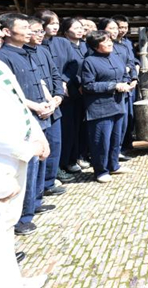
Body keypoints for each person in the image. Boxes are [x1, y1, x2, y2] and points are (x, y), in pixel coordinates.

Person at [0, 3, 49, 288]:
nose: (1, 33)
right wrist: (27, 149)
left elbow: (19, 104)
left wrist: (38, 135)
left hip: (15, 157)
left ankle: (11, 280)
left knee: (3, 230)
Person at [0, 13, 64, 235]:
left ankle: (35, 201)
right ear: (7, 31)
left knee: (41, 160)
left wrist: (52, 100)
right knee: (28, 166)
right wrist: (34, 106)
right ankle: (22, 217)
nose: (31, 32)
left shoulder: (28, 52)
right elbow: (12, 93)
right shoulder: (1, 57)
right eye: (25, 27)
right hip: (25, 116)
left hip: (43, 111)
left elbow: (42, 80)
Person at [80, 31, 134, 183]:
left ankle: (114, 165)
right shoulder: (89, 62)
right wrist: (114, 86)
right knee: (101, 140)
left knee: (116, 137)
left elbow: (124, 74)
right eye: (105, 41)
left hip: (118, 103)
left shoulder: (115, 57)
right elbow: (88, 85)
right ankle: (100, 170)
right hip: (100, 107)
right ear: (96, 46)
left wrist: (126, 82)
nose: (110, 43)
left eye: (109, 40)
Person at [25, 17, 66, 197]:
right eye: (36, 31)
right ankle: (35, 192)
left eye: (42, 31)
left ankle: (48, 183)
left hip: (52, 106)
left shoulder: (44, 51)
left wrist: (58, 97)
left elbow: (55, 75)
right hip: (35, 110)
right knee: (39, 150)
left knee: (54, 145)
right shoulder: (18, 54)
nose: (40, 35)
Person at [55, 17, 89, 178]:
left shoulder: (85, 45)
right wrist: (64, 82)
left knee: (79, 127)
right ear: (66, 30)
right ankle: (65, 161)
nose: (80, 29)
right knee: (67, 129)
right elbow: (62, 69)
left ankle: (76, 157)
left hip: (84, 90)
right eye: (76, 27)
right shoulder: (61, 46)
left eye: (81, 27)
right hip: (68, 91)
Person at [112, 15, 140, 154]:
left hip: (131, 82)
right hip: (119, 83)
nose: (122, 30)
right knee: (121, 116)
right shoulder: (110, 45)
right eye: (120, 27)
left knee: (130, 114)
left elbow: (133, 59)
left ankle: (128, 143)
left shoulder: (128, 42)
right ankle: (119, 147)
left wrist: (136, 72)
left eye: (125, 27)